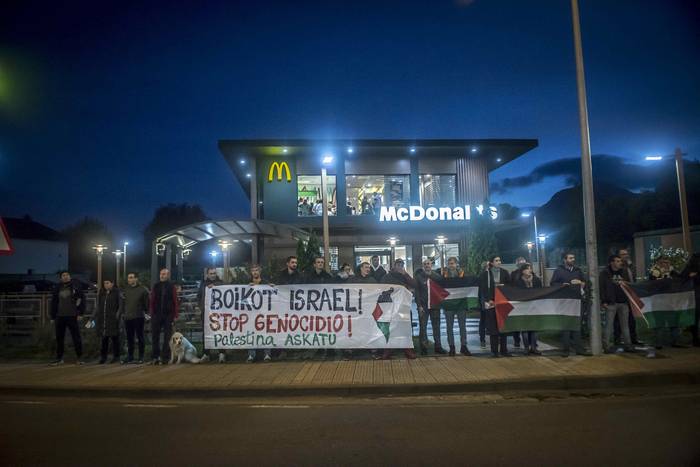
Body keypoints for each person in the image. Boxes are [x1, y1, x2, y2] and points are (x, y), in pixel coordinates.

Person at [550, 252, 590, 357]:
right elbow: (553, 284)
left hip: (577, 301)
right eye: (571, 258)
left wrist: (581, 283)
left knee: (577, 325)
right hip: (565, 302)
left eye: (574, 258)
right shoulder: (559, 271)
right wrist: (562, 285)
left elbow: (585, 283)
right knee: (566, 326)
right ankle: (565, 350)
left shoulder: (578, 270)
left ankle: (579, 349)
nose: (573, 259)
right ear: (565, 259)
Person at [647, 256, 685, 357]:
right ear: (659, 263)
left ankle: (676, 341)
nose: (666, 264)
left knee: (674, 322)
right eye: (664, 262)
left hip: (670, 301)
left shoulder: (672, 271)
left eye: (667, 262)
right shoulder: (654, 271)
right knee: (659, 323)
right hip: (658, 301)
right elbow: (654, 284)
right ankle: (658, 344)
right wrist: (666, 278)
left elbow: (681, 278)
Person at [380, 258, 418, 359]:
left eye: (401, 265)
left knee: (405, 328)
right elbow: (381, 288)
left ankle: (407, 349)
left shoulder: (405, 276)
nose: (400, 267)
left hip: (403, 306)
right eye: (398, 265)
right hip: (390, 307)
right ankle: (388, 349)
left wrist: (405, 274)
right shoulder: (387, 276)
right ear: (394, 266)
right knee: (390, 329)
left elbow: (414, 284)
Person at [49, 271, 86, 365]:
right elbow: (54, 302)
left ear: (70, 276)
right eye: (63, 276)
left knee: (76, 337)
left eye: (67, 275)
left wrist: (81, 313)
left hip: (72, 316)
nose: (65, 277)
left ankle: (80, 358)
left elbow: (82, 299)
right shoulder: (57, 287)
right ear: (61, 278)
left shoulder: (75, 286)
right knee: (59, 338)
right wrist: (53, 316)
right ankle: (59, 358)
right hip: (60, 316)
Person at [600, 255, 633, 353]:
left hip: (623, 302)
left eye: (620, 261)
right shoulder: (605, 273)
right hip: (611, 303)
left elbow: (629, 285)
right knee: (608, 326)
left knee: (625, 326)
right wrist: (604, 301)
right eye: (617, 261)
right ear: (612, 262)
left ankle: (628, 345)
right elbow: (601, 288)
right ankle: (606, 346)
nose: (620, 263)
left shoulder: (624, 272)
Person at [479, 256, 510, 357]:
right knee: (493, 328)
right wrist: (489, 299)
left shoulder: (505, 272)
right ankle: (494, 351)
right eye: (496, 261)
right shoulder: (486, 274)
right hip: (491, 303)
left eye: (500, 260)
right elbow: (483, 289)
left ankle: (504, 350)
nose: (499, 262)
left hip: (502, 302)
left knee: (503, 327)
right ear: (491, 263)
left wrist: (503, 288)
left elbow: (510, 286)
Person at [439, 257, 471, 356]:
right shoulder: (443, 274)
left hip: (461, 303)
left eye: (452, 263)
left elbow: (469, 285)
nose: (451, 265)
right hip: (449, 304)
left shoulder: (463, 273)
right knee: (449, 327)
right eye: (449, 263)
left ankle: (463, 346)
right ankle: (452, 347)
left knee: (462, 326)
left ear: (456, 264)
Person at [414, 258, 446, 356]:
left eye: (428, 263)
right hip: (423, 306)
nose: (427, 265)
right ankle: (423, 347)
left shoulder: (437, 277)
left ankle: (438, 346)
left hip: (435, 306)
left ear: (431, 265)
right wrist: (419, 306)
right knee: (423, 328)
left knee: (436, 326)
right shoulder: (419, 277)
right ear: (423, 266)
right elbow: (417, 293)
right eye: (425, 264)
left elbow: (441, 291)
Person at [149, 268, 179, 365]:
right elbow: (152, 300)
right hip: (156, 314)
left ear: (168, 275)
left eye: (164, 274)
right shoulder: (156, 286)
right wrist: (152, 313)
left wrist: (175, 315)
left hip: (168, 315)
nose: (162, 275)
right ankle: (155, 356)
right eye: (161, 274)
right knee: (155, 336)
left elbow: (175, 301)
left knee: (167, 337)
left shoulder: (171, 286)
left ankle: (164, 357)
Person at [614, 248, 642, 346]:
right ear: (619, 256)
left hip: (631, 296)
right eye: (623, 254)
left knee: (631, 319)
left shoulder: (630, 266)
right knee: (618, 319)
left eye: (626, 254)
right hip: (621, 296)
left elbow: (633, 279)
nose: (626, 255)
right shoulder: (618, 268)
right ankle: (617, 340)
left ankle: (633, 338)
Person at [91, 278, 123, 364]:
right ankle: (103, 357)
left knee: (115, 339)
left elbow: (120, 306)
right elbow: (97, 307)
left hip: (113, 321)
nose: (106, 285)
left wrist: (117, 317)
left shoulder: (117, 292)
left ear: (112, 283)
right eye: (104, 283)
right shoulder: (101, 293)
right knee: (104, 339)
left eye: (108, 283)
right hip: (103, 320)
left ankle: (116, 356)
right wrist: (92, 318)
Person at [514, 263, 542, 355]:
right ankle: (526, 347)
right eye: (527, 269)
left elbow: (540, 292)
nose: (529, 270)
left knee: (534, 328)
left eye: (530, 268)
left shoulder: (537, 280)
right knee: (525, 328)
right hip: (523, 308)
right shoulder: (518, 282)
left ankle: (534, 347)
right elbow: (517, 294)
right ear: (522, 271)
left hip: (535, 307)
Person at [197, 268, 225, 363]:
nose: (213, 275)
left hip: (219, 313)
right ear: (207, 274)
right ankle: (206, 353)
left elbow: (225, 289)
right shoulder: (203, 284)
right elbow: (199, 296)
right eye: (211, 273)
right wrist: (202, 308)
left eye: (214, 273)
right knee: (206, 333)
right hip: (206, 313)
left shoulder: (221, 283)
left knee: (220, 332)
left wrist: (215, 286)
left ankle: (221, 353)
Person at [122, 272, 150, 364]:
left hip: (139, 317)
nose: (129, 279)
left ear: (136, 279)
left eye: (131, 277)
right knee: (129, 338)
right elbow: (123, 303)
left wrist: (146, 314)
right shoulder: (126, 290)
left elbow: (147, 304)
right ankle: (130, 356)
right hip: (128, 317)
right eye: (128, 278)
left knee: (140, 337)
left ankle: (141, 356)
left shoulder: (143, 290)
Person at [247, 264, 272, 363]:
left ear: (260, 271)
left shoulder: (265, 283)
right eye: (253, 270)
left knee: (265, 332)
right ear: (251, 272)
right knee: (251, 333)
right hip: (251, 314)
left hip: (263, 313)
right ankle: (251, 355)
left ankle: (267, 354)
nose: (255, 272)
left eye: (256, 270)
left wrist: (272, 287)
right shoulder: (247, 284)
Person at [681, 253, 700, 347]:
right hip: (694, 296)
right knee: (695, 318)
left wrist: (693, 276)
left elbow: (682, 277)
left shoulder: (689, 268)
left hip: (693, 296)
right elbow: (683, 277)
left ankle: (695, 338)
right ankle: (695, 339)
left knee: (695, 318)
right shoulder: (690, 269)